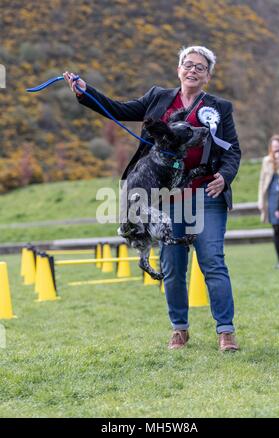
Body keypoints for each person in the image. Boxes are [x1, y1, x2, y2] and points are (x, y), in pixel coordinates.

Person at [63, 45, 241, 352]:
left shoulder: (219, 107)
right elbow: (117, 109)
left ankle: (225, 332)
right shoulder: (158, 98)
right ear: (179, 70)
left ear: (208, 75)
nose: (193, 70)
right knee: (172, 265)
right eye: (188, 64)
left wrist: (225, 176)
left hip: (205, 194)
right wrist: (85, 91)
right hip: (164, 199)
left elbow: (232, 150)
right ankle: (179, 330)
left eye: (200, 67)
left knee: (212, 262)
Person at [258, 135, 279, 267]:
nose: (276, 149)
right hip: (272, 198)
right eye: (274, 147)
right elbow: (262, 181)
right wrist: (261, 200)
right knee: (276, 229)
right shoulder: (267, 161)